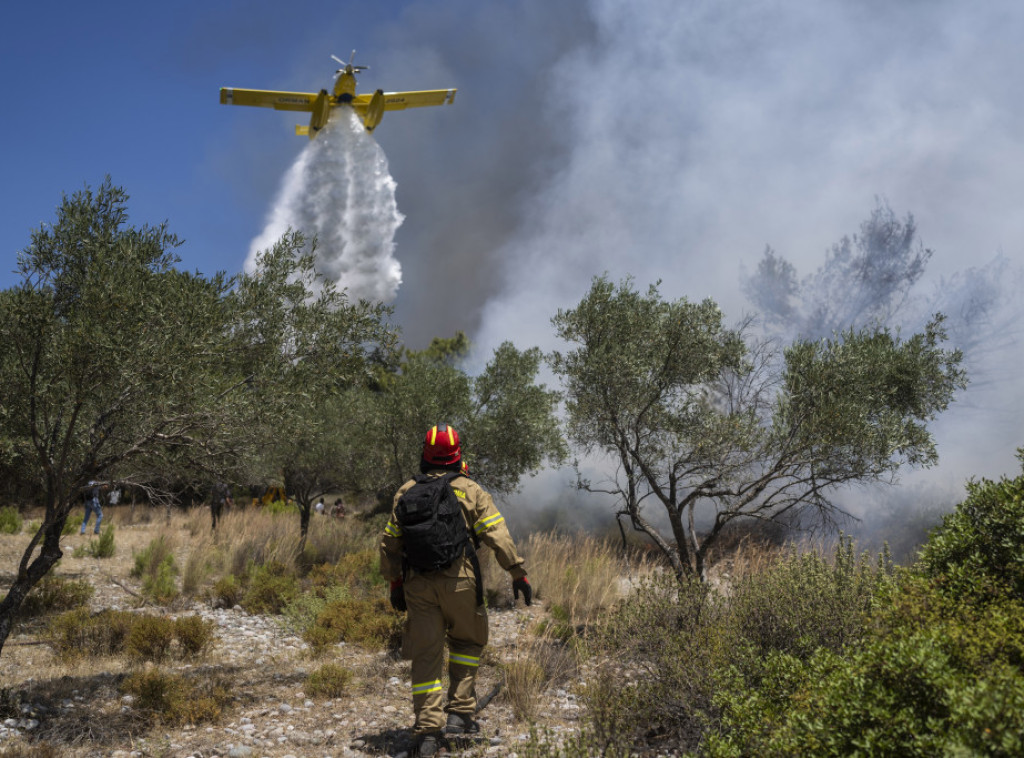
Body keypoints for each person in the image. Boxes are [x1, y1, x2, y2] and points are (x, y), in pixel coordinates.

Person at [380, 423, 532, 757]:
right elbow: (497, 535)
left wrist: (395, 584)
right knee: (467, 641)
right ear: (457, 454)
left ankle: (428, 733)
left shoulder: (406, 491)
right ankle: (461, 714)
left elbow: (389, 543)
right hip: (462, 580)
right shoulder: (470, 489)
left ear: (425, 453)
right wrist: (517, 573)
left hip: (418, 584)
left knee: (427, 655)